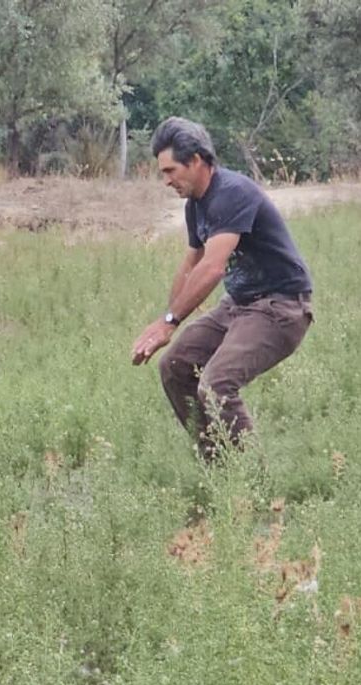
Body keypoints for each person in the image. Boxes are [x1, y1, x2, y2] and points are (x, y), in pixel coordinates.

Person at [131, 116, 314, 461]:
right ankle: (219, 465)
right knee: (175, 367)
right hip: (239, 305)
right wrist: (165, 324)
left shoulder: (232, 193)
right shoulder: (195, 205)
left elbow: (213, 267)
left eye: (170, 171)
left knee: (216, 386)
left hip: (281, 307)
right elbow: (191, 265)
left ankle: (252, 482)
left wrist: (170, 321)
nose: (166, 181)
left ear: (196, 161)